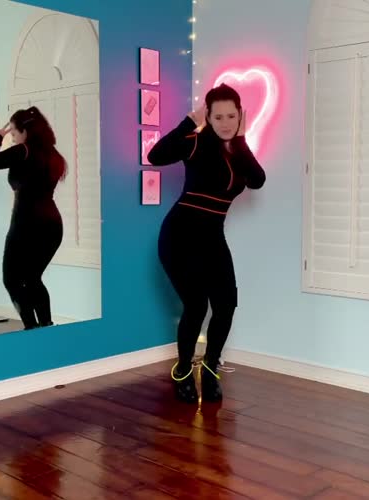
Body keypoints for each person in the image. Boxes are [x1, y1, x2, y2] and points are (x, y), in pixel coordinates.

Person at [148, 83, 266, 403]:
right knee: (197, 305)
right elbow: (155, 156)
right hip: (179, 237)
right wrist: (189, 121)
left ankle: (211, 368)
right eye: (218, 117)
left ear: (240, 116)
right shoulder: (196, 142)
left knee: (226, 305)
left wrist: (240, 139)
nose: (225, 123)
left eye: (231, 116)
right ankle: (183, 370)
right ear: (208, 117)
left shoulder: (238, 150)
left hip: (212, 238)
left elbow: (257, 180)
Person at [0, 106, 66, 330]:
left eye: (13, 133)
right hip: (52, 225)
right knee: (32, 278)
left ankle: (31, 328)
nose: (12, 137)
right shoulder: (53, 155)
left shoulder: (24, 151)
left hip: (27, 224)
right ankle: (46, 328)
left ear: (25, 132)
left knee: (11, 279)